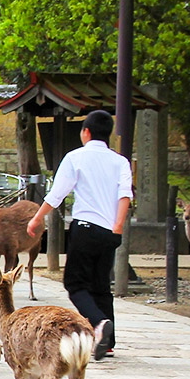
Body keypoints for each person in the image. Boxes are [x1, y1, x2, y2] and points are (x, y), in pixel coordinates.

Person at [27, 109, 129, 360]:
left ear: (86, 132)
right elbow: (124, 196)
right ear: (108, 135)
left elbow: (57, 194)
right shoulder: (120, 161)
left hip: (84, 228)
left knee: (75, 284)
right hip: (109, 231)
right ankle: (109, 343)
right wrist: (118, 227)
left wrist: (37, 218)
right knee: (101, 286)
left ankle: (98, 324)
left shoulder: (75, 157)